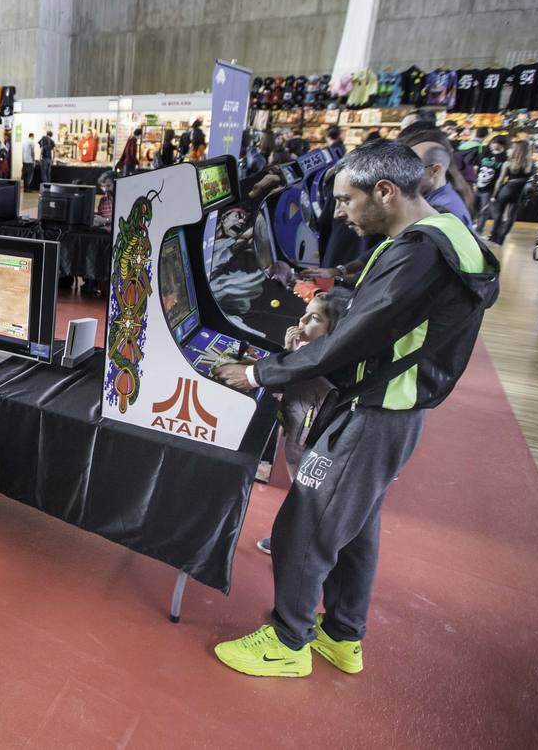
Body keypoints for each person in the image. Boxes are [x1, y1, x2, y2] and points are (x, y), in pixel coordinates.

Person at [212, 139, 498, 678]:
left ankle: (287, 643)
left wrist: (257, 373)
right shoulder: (441, 233)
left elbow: (352, 339)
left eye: (347, 201)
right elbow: (392, 288)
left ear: (385, 192)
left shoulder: (420, 253)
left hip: (374, 410)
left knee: (305, 523)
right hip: (396, 409)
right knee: (356, 524)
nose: (339, 212)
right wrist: (336, 278)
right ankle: (343, 635)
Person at [255, 291, 344, 555]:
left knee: (308, 497)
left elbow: (282, 378)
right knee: (301, 490)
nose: (302, 321)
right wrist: (288, 351)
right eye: (304, 313)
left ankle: (297, 548)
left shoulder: (326, 361)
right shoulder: (307, 351)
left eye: (314, 318)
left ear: (336, 329)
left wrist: (285, 358)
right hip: (298, 435)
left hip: (313, 441)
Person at [402, 127, 473, 228]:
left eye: (411, 168)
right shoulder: (435, 197)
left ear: (435, 170)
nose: (403, 174)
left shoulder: (444, 213)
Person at [487, 141, 535, 244]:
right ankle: (501, 238)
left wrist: (494, 194)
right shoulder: (531, 165)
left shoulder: (508, 163)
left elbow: (500, 180)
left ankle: (493, 235)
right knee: (511, 216)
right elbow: (532, 180)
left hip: (507, 189)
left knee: (498, 214)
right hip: (519, 192)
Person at [472, 137, 509, 230]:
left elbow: (502, 176)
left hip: (490, 188)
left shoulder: (504, 158)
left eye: (495, 143)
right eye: (492, 143)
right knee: (473, 207)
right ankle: (469, 226)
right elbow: (477, 168)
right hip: (478, 184)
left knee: (484, 210)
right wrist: (474, 183)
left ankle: (479, 229)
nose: (492, 145)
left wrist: (495, 192)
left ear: (501, 144)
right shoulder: (486, 153)